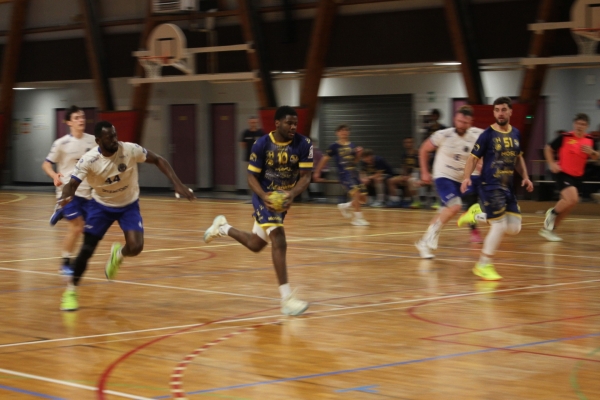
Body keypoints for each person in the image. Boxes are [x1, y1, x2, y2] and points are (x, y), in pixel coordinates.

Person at [56, 121, 195, 311]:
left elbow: (159, 159)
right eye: (109, 137)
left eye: (115, 135)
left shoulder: (129, 149)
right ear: (98, 141)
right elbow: (71, 184)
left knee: (136, 246)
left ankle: (118, 255)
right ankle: (70, 291)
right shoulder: (89, 160)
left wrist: (177, 183)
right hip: (101, 206)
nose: (114, 140)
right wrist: (65, 198)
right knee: (87, 249)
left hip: (128, 204)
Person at [203, 106, 312, 316]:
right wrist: (264, 197)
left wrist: (291, 194)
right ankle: (286, 299)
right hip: (264, 196)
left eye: (295, 123)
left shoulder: (303, 143)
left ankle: (223, 227)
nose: (293, 127)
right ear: (277, 123)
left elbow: (306, 177)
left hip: (282, 199)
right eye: (289, 123)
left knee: (256, 244)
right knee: (279, 239)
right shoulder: (261, 144)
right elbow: (251, 177)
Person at [460, 97, 533, 281]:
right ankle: (483, 265)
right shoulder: (487, 134)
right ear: (494, 113)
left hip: (507, 187)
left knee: (514, 228)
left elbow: (518, 158)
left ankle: (476, 213)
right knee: (499, 225)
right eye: (497, 110)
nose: (500, 113)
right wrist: (466, 177)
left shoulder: (516, 133)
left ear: (510, 112)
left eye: (503, 109)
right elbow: (472, 158)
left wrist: (525, 177)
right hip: (490, 185)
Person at [415, 105, 484, 259]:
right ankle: (428, 239)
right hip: (443, 176)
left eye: (465, 123)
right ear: (455, 119)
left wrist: (481, 164)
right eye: (459, 121)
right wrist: (424, 172)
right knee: (456, 205)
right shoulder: (443, 135)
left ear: (470, 122)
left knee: (448, 211)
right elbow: (423, 150)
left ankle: (424, 242)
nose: (461, 125)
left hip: (461, 180)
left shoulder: (477, 135)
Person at [42, 105, 97, 275]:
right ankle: (65, 263)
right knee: (77, 227)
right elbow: (46, 164)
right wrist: (54, 176)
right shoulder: (61, 143)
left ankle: (60, 211)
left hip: (88, 193)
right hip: (68, 191)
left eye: (82, 117)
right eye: (76, 118)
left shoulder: (93, 140)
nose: (81, 120)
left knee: (88, 231)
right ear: (68, 122)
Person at [539, 113, 599, 241]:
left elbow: (596, 157)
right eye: (578, 123)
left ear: (587, 126)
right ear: (574, 124)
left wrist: (592, 152)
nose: (580, 126)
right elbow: (548, 148)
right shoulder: (565, 137)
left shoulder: (590, 140)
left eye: (583, 124)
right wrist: (551, 163)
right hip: (563, 173)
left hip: (578, 176)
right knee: (572, 198)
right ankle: (552, 213)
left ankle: (549, 230)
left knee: (571, 204)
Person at [313, 124, 369, 226]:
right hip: (345, 174)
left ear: (349, 132)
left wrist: (359, 155)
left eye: (346, 130)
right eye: (341, 130)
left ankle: (345, 206)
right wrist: (317, 172)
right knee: (356, 193)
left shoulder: (352, 145)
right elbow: (324, 159)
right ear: (337, 133)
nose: (344, 132)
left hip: (354, 173)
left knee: (363, 198)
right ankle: (357, 218)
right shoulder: (334, 146)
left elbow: (355, 162)